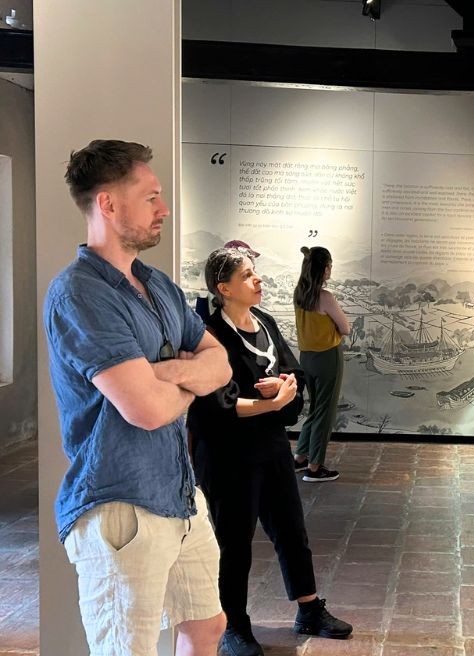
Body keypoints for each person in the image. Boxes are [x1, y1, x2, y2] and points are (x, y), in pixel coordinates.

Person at [43, 140, 233, 655]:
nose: (163, 209)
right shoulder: (80, 293)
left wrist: (165, 374)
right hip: (120, 504)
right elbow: (144, 410)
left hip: (177, 493)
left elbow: (221, 364)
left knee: (206, 624)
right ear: (107, 204)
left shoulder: (158, 286)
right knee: (128, 649)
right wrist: (190, 378)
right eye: (150, 197)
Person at [188, 248, 352, 655]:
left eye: (255, 272)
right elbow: (215, 404)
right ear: (223, 288)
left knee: (292, 531)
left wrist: (283, 389)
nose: (257, 280)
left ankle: (309, 608)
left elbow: (293, 372)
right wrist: (272, 404)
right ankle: (234, 627)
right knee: (234, 542)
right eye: (247, 276)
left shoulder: (265, 322)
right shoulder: (209, 335)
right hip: (227, 454)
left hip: (271, 446)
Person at [292, 246, 350, 482]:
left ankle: (300, 458)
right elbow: (345, 328)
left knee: (315, 409)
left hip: (306, 358)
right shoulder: (325, 297)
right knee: (325, 413)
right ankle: (315, 467)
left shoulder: (299, 293)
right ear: (325, 268)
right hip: (327, 358)